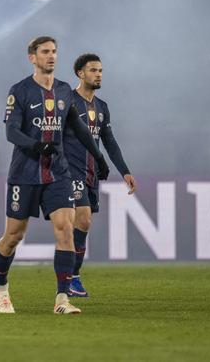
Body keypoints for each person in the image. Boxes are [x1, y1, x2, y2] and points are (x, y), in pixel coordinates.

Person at [0, 36, 110, 315]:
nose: (51, 56)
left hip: (58, 172)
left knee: (65, 229)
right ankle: (1, 287)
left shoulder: (64, 90)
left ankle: (62, 299)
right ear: (32, 57)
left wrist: (98, 156)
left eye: (54, 51)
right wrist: (36, 145)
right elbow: (11, 132)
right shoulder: (20, 90)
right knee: (13, 235)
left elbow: (79, 127)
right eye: (45, 52)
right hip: (25, 173)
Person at [64, 53, 136, 297]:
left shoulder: (102, 107)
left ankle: (72, 276)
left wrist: (124, 171)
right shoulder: (67, 101)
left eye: (100, 71)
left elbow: (110, 142)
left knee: (83, 223)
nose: (98, 75)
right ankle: (72, 278)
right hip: (70, 170)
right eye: (93, 70)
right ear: (80, 73)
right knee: (83, 218)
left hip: (92, 172)